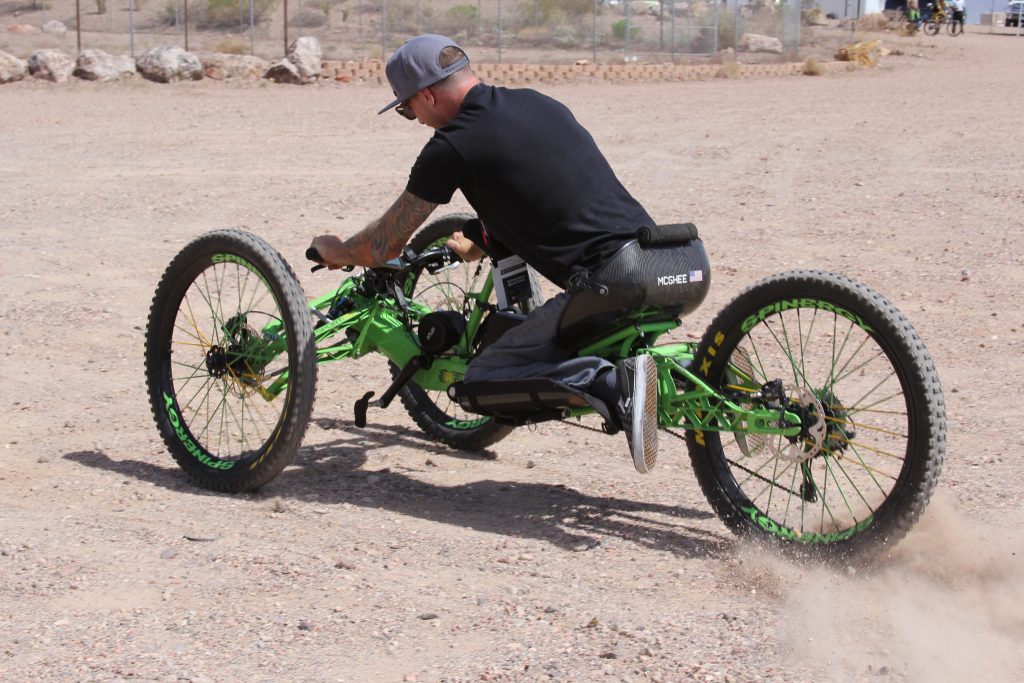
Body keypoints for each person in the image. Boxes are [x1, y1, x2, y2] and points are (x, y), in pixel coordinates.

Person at [310, 35, 706, 474]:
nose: (415, 119)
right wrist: (483, 237)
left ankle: (613, 385)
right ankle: (711, 372)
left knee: (481, 379)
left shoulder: (452, 144)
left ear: (427, 94)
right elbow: (545, 192)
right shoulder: (539, 104)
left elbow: (384, 245)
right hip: (678, 261)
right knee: (603, 335)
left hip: (615, 280)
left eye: (407, 108)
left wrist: (340, 250)